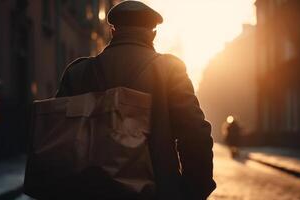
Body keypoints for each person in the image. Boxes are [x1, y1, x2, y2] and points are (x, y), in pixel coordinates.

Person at [56, 1, 216, 199]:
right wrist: (192, 191)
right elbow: (195, 135)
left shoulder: (77, 73)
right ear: (153, 34)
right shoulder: (170, 70)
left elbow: (59, 141)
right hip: (154, 192)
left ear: (113, 31)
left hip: (89, 192)